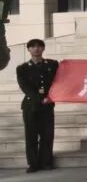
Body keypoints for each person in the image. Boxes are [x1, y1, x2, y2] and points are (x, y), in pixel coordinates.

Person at [16, 39, 59, 173]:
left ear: (43, 49)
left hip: (47, 105)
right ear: (28, 49)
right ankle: (33, 164)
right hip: (30, 105)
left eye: (39, 46)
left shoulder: (52, 64)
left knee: (47, 134)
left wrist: (50, 97)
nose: (36, 49)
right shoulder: (22, 68)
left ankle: (46, 162)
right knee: (31, 135)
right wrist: (41, 99)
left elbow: (58, 81)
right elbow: (25, 87)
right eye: (33, 47)